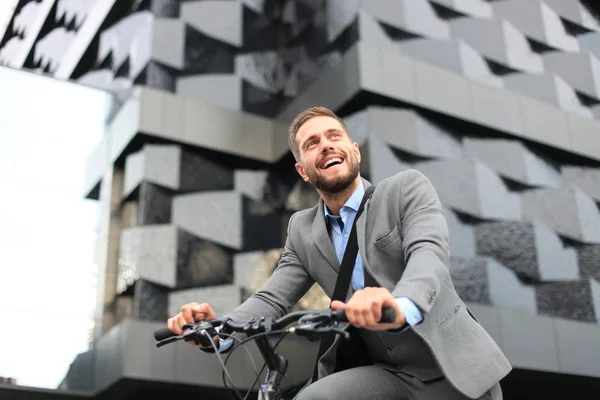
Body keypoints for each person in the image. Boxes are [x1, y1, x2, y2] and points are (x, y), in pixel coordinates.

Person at [167, 106, 511, 399]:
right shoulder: (302, 230)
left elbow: (429, 253)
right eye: (312, 143)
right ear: (303, 170)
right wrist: (219, 331)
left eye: (334, 136)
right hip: (390, 374)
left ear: (355, 151)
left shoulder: (405, 189)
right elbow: (272, 299)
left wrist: (400, 304)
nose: (326, 146)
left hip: (455, 368)